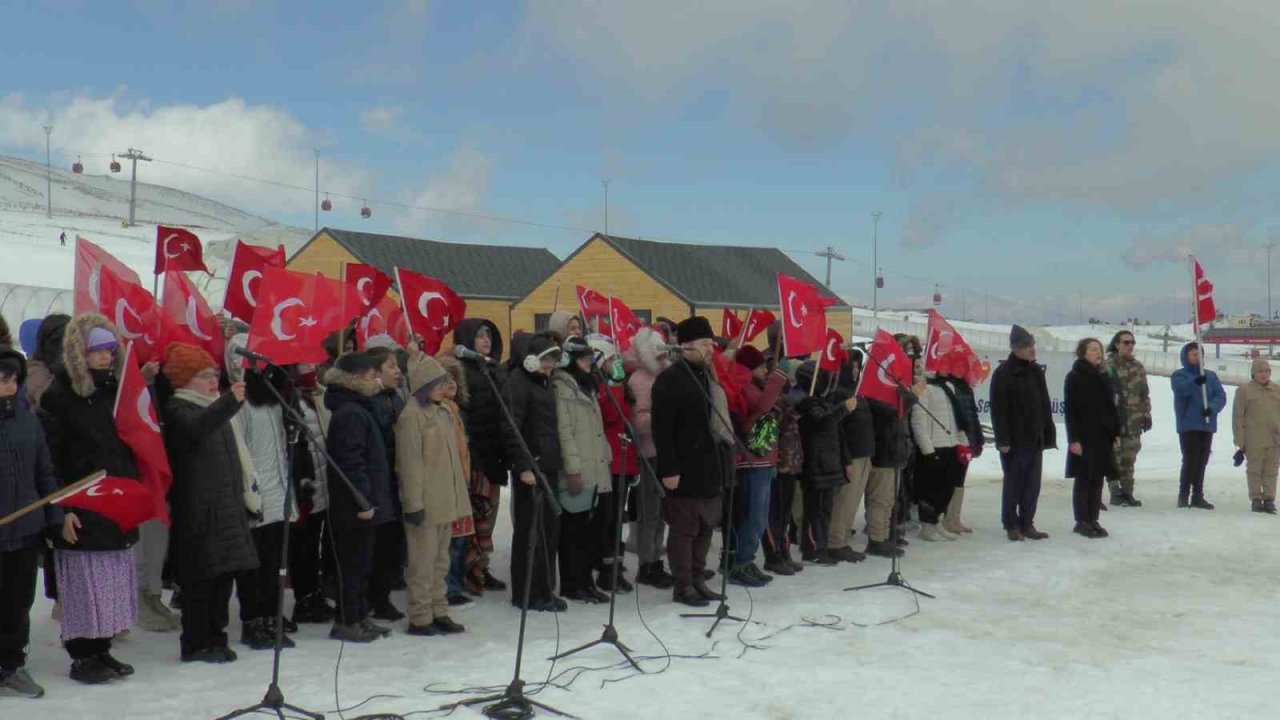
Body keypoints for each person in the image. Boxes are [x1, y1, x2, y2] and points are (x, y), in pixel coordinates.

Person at [40, 315, 141, 683]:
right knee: (85, 582)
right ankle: (82, 655)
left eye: (110, 351)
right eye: (97, 351)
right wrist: (60, 509)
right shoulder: (59, 395)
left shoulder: (113, 391)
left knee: (110, 579)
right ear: (80, 354)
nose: (106, 357)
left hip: (112, 497)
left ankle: (101, 648)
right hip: (80, 500)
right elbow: (52, 458)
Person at [162, 343, 258, 663]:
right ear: (184, 379)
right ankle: (196, 642)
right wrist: (230, 402)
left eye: (213, 374)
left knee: (223, 578)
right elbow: (197, 428)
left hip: (226, 506)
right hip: (198, 511)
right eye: (204, 376)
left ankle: (217, 636)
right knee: (201, 581)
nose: (211, 381)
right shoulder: (179, 409)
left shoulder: (215, 407)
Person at [652, 316, 731, 607]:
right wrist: (669, 469)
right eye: (704, 344)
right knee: (685, 529)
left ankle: (698, 578)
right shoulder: (669, 380)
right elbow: (662, 430)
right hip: (683, 468)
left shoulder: (706, 377)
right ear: (685, 346)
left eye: (711, 344)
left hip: (709, 467)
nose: (711, 349)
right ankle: (683, 584)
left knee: (706, 525)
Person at [396, 351, 471, 636]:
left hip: (444, 499)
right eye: (440, 381)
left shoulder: (443, 411)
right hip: (425, 502)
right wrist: (414, 503)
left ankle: (439, 610)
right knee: (422, 563)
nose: (445, 385)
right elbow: (410, 464)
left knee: (441, 560)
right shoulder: (412, 417)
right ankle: (420, 615)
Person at [0, 347, 61, 697]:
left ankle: (12, 666)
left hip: (24, 531)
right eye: (2, 379)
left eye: (14, 379)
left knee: (18, 604)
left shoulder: (28, 419)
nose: (9, 385)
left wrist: (51, 518)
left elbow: (45, 473)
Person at [324, 352, 397, 642]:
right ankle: (347, 619)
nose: (375, 381)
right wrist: (363, 501)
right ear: (354, 381)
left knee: (364, 563)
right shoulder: (350, 413)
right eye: (369, 377)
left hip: (367, 502)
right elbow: (350, 463)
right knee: (352, 565)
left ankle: (359, 615)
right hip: (354, 506)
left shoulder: (358, 408)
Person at [232, 365, 299, 650]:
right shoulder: (243, 407)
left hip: (279, 493)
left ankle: (272, 614)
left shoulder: (275, 407)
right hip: (256, 496)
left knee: (275, 562)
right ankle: (252, 620)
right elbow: (240, 452)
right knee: (254, 565)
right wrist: (248, 495)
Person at [501, 333, 567, 612]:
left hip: (548, 465)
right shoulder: (518, 384)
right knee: (531, 532)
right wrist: (524, 465)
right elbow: (510, 428)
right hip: (531, 467)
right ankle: (528, 593)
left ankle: (544, 588)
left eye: (554, 359)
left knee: (547, 531)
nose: (551, 364)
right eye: (546, 359)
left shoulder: (544, 383)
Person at [551, 336, 613, 604]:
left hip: (595, 466)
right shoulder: (562, 389)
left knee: (590, 532)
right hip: (578, 470)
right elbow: (565, 434)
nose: (589, 361)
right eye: (583, 357)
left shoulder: (586, 387)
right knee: (573, 532)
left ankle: (586, 580)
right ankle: (573, 583)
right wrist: (573, 471)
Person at [452, 318, 509, 595]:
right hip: (475, 457)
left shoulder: (494, 370)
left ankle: (482, 567)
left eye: (488, 334)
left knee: (489, 516)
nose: (486, 340)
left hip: (495, 454)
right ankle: (467, 571)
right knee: (473, 517)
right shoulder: (461, 372)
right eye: (479, 336)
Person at [990, 324, 1056, 541]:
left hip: (1035, 438)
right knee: (1014, 484)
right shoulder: (1003, 373)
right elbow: (999, 410)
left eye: (1032, 345)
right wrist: (1003, 440)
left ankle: (1028, 522)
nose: (1031, 349)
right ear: (1015, 348)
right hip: (1015, 441)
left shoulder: (1036, 371)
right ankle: (1011, 524)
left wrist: (1048, 433)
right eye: (1027, 346)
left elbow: (1044, 405)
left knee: (1032, 486)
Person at [728, 345, 788, 587]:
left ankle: (747, 559)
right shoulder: (743, 385)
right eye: (761, 366)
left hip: (763, 459)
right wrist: (779, 377)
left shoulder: (753, 384)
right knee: (754, 514)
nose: (765, 370)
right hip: (752, 460)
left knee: (759, 514)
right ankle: (741, 561)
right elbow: (762, 406)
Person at [622, 327, 673, 589]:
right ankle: (646, 563)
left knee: (662, 512)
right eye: (656, 348)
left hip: (667, 452)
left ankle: (656, 558)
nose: (662, 352)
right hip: (648, 453)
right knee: (649, 512)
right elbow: (638, 420)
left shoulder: (667, 374)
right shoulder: (640, 379)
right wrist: (666, 419)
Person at [288, 363, 336, 625]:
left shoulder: (316, 395)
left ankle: (314, 593)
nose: (311, 371)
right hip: (305, 485)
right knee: (302, 546)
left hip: (322, 481)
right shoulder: (293, 400)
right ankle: (303, 598)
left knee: (314, 541)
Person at [795, 361, 856, 565]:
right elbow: (822, 422)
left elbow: (837, 433)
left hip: (829, 463)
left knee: (825, 509)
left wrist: (844, 460)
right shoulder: (806, 403)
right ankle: (812, 548)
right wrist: (843, 409)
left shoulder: (824, 401)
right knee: (814, 510)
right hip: (815, 463)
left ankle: (821, 545)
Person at [364, 344, 408, 622]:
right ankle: (374, 598)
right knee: (377, 545)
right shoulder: (370, 401)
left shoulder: (396, 398)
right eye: (391, 367)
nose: (398, 372)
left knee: (392, 544)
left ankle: (383, 595)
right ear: (376, 372)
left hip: (396, 479)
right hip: (377, 482)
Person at [591, 336, 636, 594]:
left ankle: (616, 566)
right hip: (610, 461)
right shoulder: (601, 388)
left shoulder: (621, 386)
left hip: (625, 459)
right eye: (610, 359)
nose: (615, 363)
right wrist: (614, 386)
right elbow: (610, 415)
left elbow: (627, 418)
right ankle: (606, 570)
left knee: (618, 518)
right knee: (607, 519)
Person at [1064, 338, 1122, 539]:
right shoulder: (1075, 377)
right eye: (1093, 349)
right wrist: (1074, 440)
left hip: (1102, 436)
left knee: (1097, 479)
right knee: (1084, 479)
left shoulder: (1104, 375)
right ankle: (1081, 521)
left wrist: (1114, 432)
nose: (1098, 353)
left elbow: (1110, 408)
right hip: (1084, 436)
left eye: (1099, 350)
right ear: (1083, 353)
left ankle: (1093, 518)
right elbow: (1070, 411)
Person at [910, 357, 969, 542]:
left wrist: (961, 441)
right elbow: (919, 421)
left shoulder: (948, 387)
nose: (946, 369)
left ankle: (937, 521)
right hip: (934, 446)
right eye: (941, 365)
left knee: (947, 487)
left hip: (950, 444)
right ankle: (927, 526)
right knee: (931, 488)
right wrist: (927, 450)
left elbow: (955, 418)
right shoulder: (923, 388)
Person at [1171, 342, 1227, 509]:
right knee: (1190, 459)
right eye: (1194, 354)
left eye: (1200, 354)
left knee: (1202, 460)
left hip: (1206, 424)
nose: (1197, 357)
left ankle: (1198, 495)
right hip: (1188, 424)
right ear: (1186, 356)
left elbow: (1220, 395)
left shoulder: (1211, 376)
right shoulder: (1179, 375)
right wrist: (1195, 382)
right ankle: (1184, 494)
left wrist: (1211, 408)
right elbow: (1180, 390)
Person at [828, 350, 873, 562]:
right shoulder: (839, 394)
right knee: (843, 501)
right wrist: (845, 459)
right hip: (851, 455)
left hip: (864, 453)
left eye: (858, 367)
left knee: (853, 500)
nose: (856, 371)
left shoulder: (859, 393)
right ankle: (836, 541)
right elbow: (839, 431)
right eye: (852, 367)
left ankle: (844, 535)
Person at [763, 367, 805, 575]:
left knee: (785, 514)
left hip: (790, 464)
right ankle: (773, 554)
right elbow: (767, 434)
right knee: (773, 513)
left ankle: (784, 549)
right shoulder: (773, 407)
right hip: (776, 466)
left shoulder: (790, 407)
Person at [1105, 331, 1152, 507]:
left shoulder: (1137, 367)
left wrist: (1146, 414)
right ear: (1117, 344)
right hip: (1114, 420)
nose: (1130, 345)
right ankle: (1115, 491)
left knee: (1129, 457)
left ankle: (1127, 491)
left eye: (1132, 342)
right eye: (1126, 342)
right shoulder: (1108, 366)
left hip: (1133, 420)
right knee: (1114, 457)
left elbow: (1144, 394)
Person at [942, 351, 983, 535]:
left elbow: (973, 415)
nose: (959, 369)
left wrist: (978, 439)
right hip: (954, 441)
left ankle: (954, 518)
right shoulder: (946, 386)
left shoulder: (966, 387)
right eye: (956, 365)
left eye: (962, 366)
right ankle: (946, 518)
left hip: (968, 440)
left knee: (960, 480)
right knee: (950, 480)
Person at [1232, 357, 1280, 513]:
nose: (1264, 375)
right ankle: (1256, 499)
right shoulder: (1244, 391)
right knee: (1254, 470)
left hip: (1274, 439)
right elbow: (1238, 417)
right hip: (1253, 439)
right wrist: (1240, 440)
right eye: (1260, 372)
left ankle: (1269, 499)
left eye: (1266, 371)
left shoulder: (1277, 390)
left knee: (1271, 470)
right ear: (1253, 373)